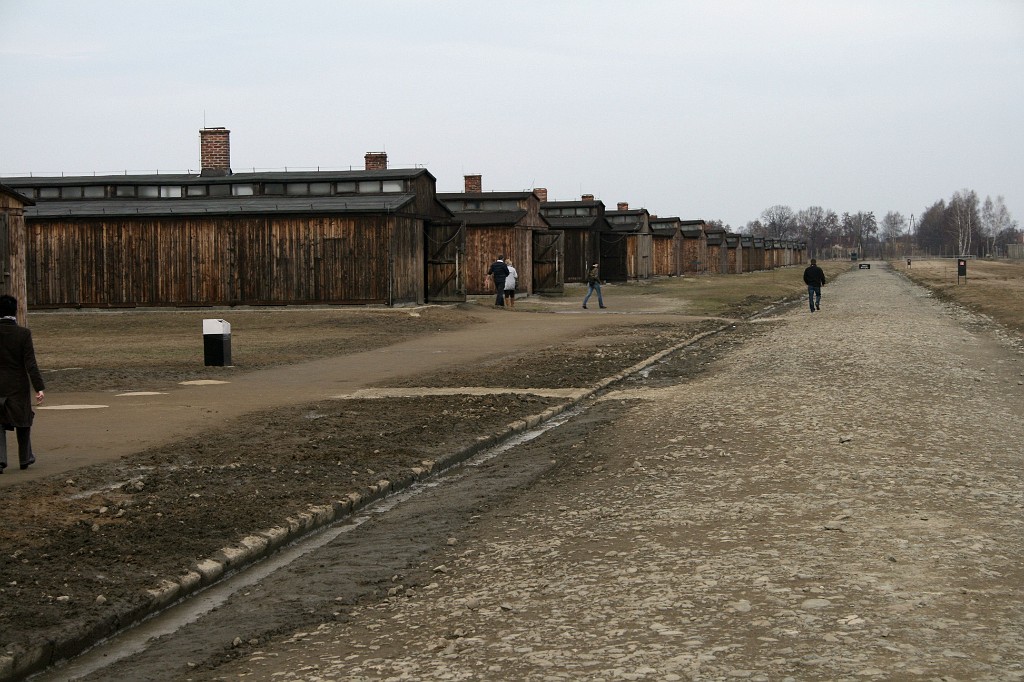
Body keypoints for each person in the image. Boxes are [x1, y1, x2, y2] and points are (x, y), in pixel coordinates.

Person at [0, 294, 45, 472]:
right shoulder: (23, 334)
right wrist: (39, 387)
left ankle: (0, 459)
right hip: (18, 384)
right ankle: (25, 457)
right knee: (23, 420)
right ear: (15, 311)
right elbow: (30, 364)